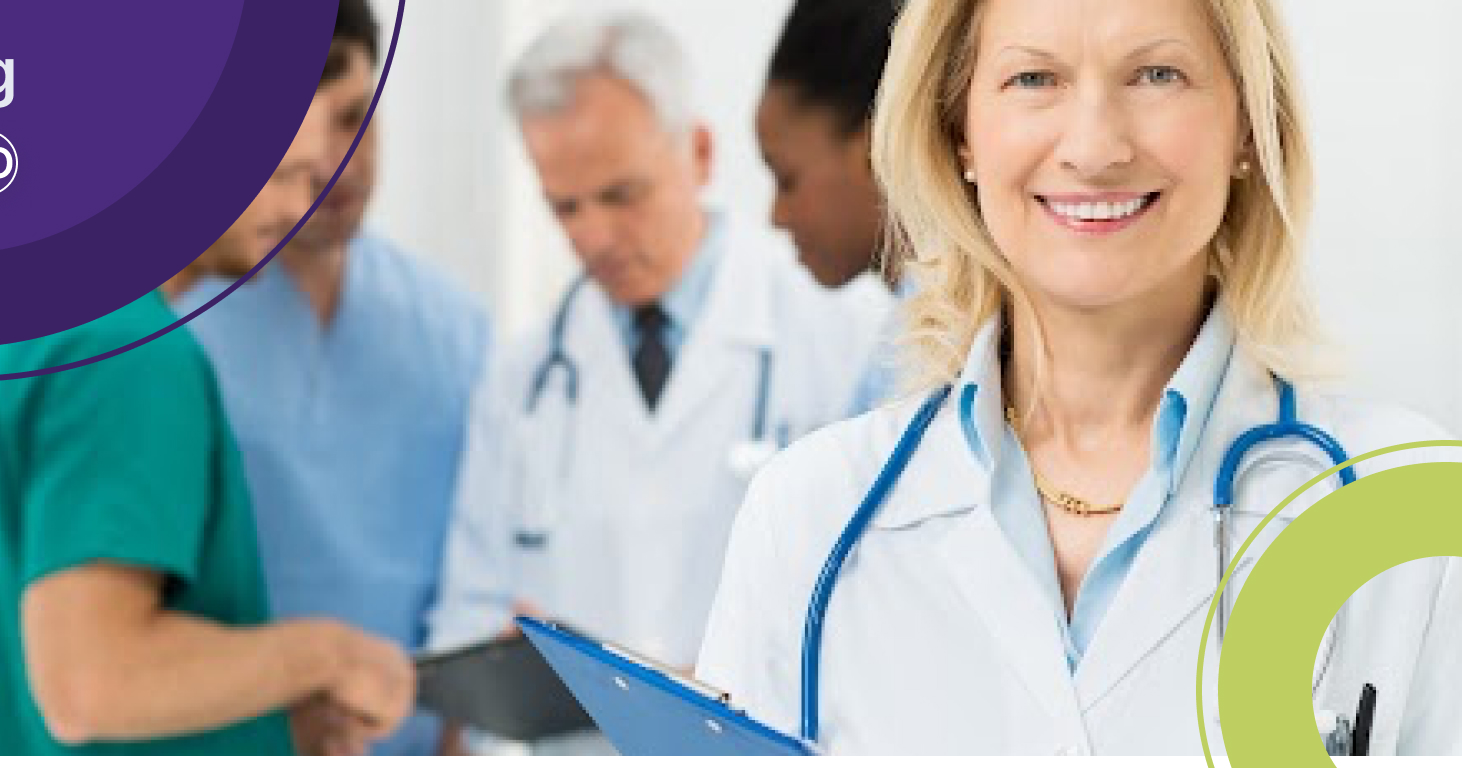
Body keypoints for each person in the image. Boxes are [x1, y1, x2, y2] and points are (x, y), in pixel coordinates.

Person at [696, 0, 1462, 755]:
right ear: (960, 132)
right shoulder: (809, 519)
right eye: (1033, 79)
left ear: (1248, 128)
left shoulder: (1408, 509)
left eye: (1156, 75)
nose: (1094, 148)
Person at [426, 9, 883, 752]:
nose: (594, 236)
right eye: (565, 207)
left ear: (698, 153)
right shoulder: (521, 381)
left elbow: (871, 619)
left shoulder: (843, 334)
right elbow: (467, 621)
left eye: (621, 195)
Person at [0, 96, 415, 755]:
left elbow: (47, 661)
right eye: (279, 177)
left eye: (308, 179)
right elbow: (91, 684)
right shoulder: (131, 353)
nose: (296, 208)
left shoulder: (27, 327)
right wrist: (332, 656)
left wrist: (265, 727)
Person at [180, 0, 488, 755]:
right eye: (298, 131)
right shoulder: (171, 328)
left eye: (354, 119)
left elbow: (479, 577)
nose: (334, 163)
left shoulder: (456, 329)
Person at [758, 0, 909, 413]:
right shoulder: (902, 348)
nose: (776, 217)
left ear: (879, 149)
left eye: (787, 179)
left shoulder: (939, 360)